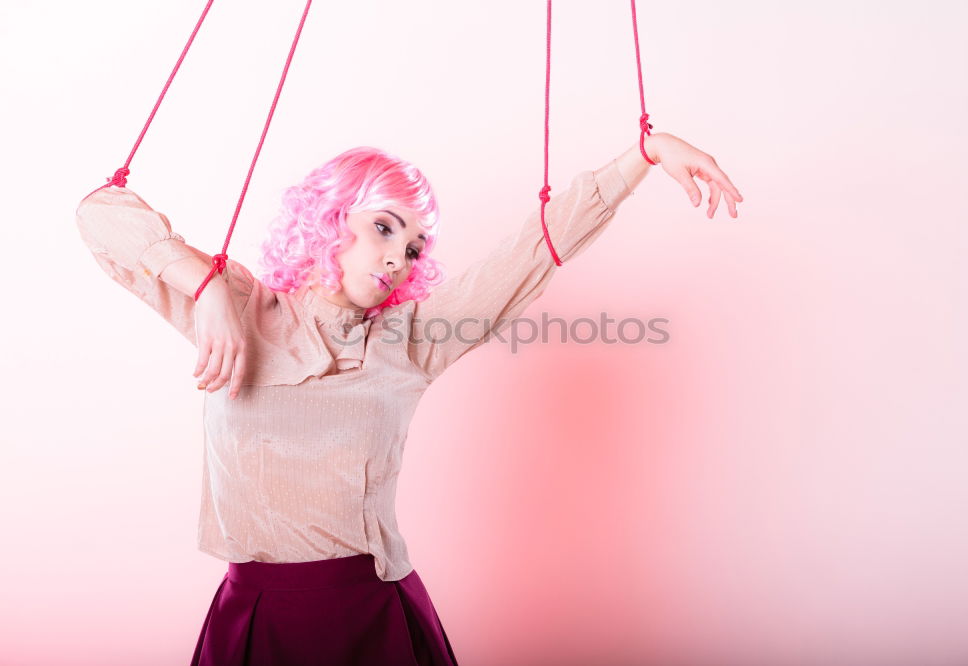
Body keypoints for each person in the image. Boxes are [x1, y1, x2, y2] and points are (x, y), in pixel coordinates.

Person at [75, 132, 742, 665]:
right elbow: (99, 212)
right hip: (253, 618)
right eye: (386, 228)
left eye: (415, 246)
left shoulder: (413, 339)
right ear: (332, 219)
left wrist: (645, 156)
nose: (401, 258)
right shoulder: (244, 308)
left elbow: (529, 257)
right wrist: (208, 288)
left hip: (371, 618)